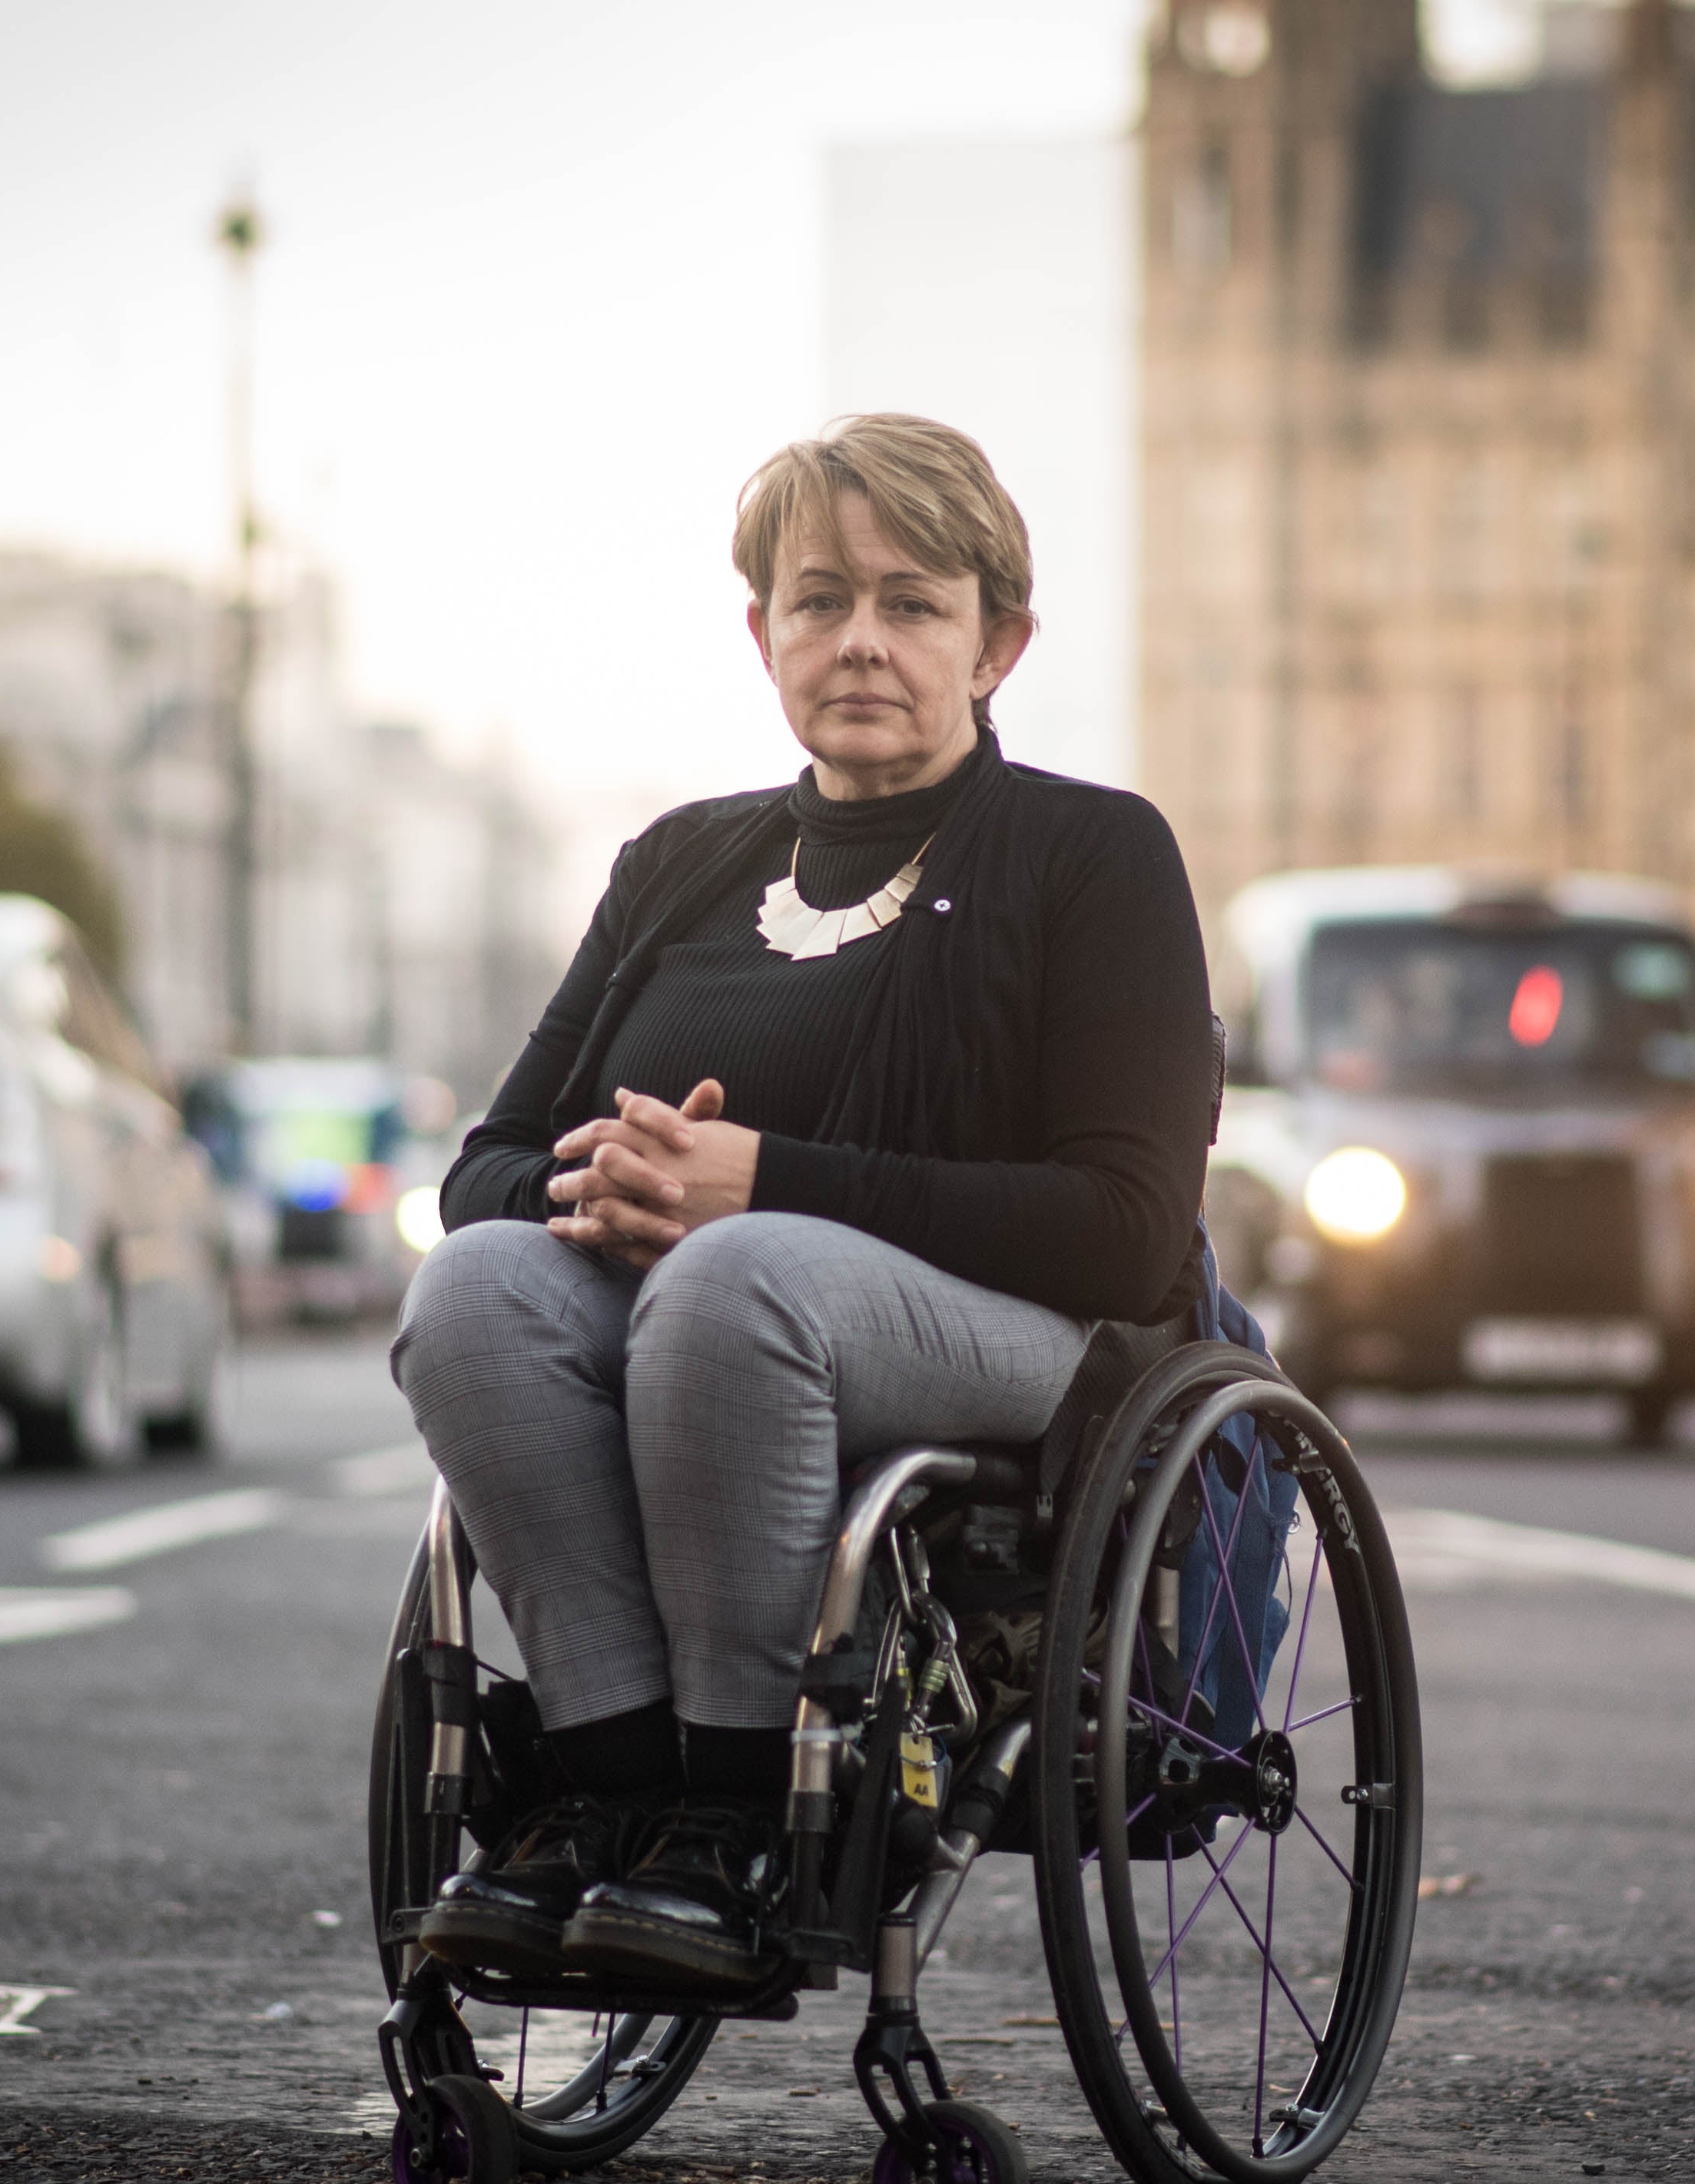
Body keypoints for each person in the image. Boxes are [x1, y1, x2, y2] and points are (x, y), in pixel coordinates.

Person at [387, 415, 1213, 1990]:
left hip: (1019, 1337)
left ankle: (742, 1817)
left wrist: (756, 1186)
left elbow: (1121, 1225)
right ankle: (610, 1792)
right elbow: (482, 1165)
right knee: (475, 1288)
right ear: (761, 631)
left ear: (999, 644)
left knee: (740, 1276)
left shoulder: (1091, 853)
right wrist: (610, 1187)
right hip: (694, 1300)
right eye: (818, 598)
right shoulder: (681, 863)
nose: (861, 642)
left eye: (913, 604)